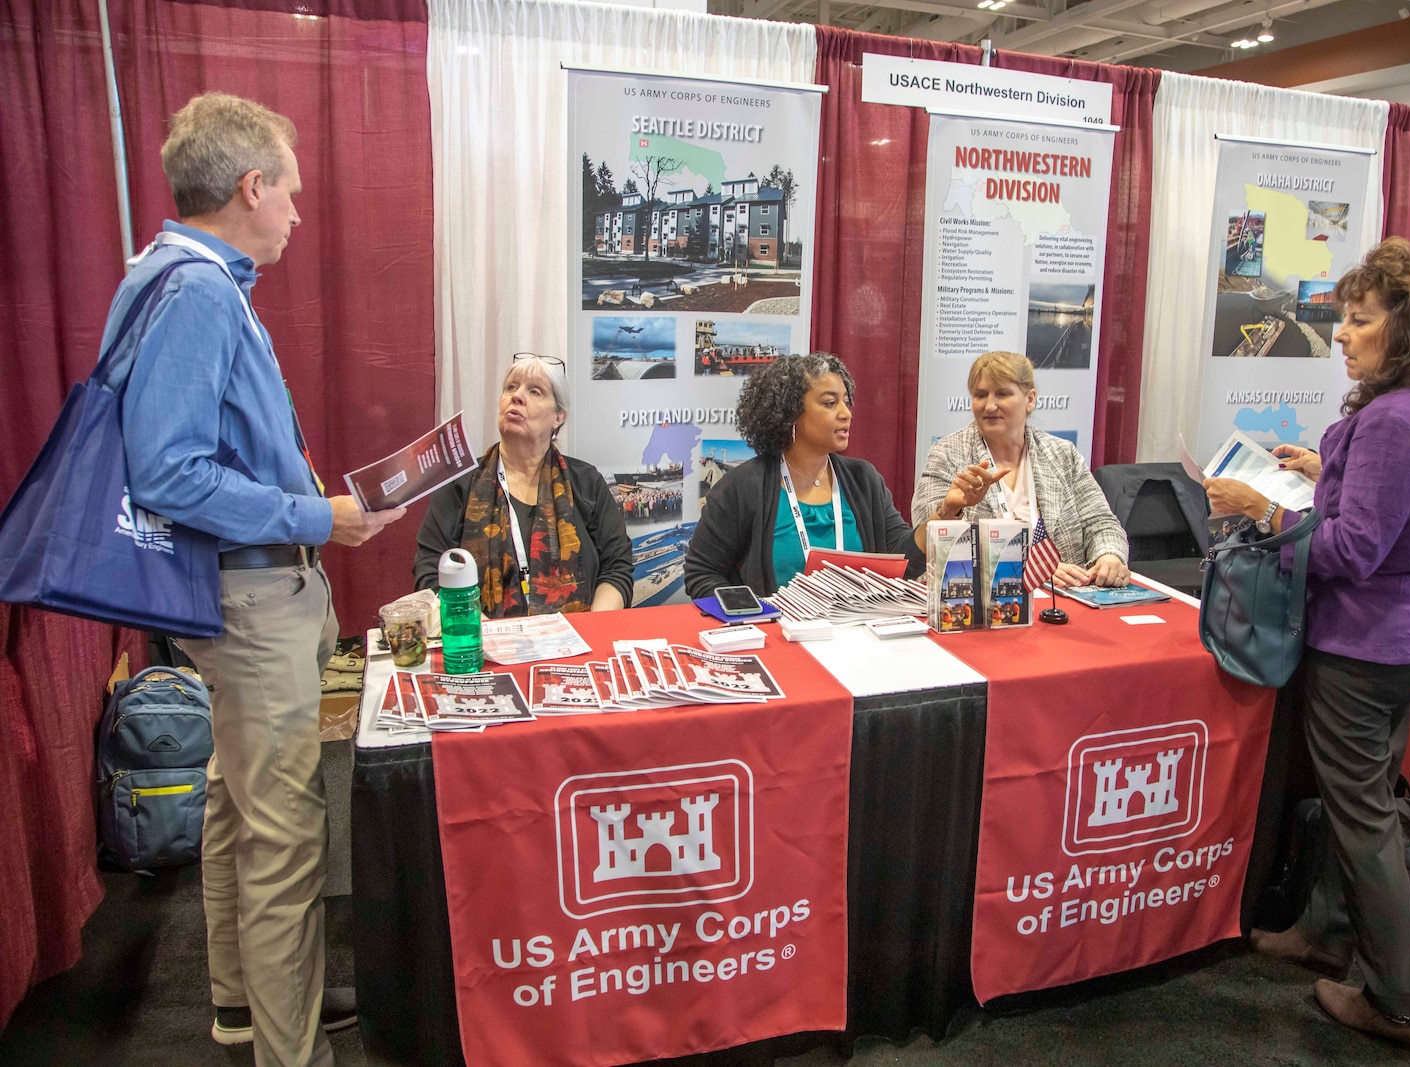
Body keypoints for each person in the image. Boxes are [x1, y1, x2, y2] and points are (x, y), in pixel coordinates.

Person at [120, 93, 407, 1065]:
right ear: (252, 187)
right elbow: (168, 472)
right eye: (290, 191)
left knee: (233, 803)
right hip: (250, 598)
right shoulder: (198, 288)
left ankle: (242, 1005)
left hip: (232, 594)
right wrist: (310, 516)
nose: (295, 211)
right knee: (284, 837)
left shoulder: (169, 276)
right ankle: (294, 1054)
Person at [1203, 238, 1410, 1051]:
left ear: (1405, 331)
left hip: (1364, 644)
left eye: (1359, 322)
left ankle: (1400, 1001)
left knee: (1363, 815)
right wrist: (1322, 469)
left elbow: (1346, 552)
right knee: (1351, 798)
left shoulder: (1396, 417)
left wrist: (1262, 509)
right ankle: (1326, 933)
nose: (1341, 335)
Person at [685, 352, 922, 598]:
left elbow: (901, 563)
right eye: (830, 403)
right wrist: (754, 615)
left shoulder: (863, 479)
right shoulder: (742, 487)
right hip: (775, 633)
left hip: (856, 632)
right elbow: (701, 573)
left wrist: (943, 515)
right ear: (791, 413)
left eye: (846, 402)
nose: (846, 413)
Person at [414, 354, 632, 613]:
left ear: (558, 417)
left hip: (579, 643)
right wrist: (475, 631)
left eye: (535, 391)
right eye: (510, 387)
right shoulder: (460, 485)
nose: (516, 397)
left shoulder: (586, 483)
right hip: (480, 645)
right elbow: (430, 575)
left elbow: (617, 568)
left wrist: (592, 629)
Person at [911, 351, 1128, 589]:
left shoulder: (1062, 454)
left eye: (1002, 394)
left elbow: (1101, 522)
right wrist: (1029, 569)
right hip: (989, 604)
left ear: (1030, 399)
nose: (989, 405)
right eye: (980, 395)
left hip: (1069, 599)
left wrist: (1109, 556)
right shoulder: (947, 454)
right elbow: (926, 545)